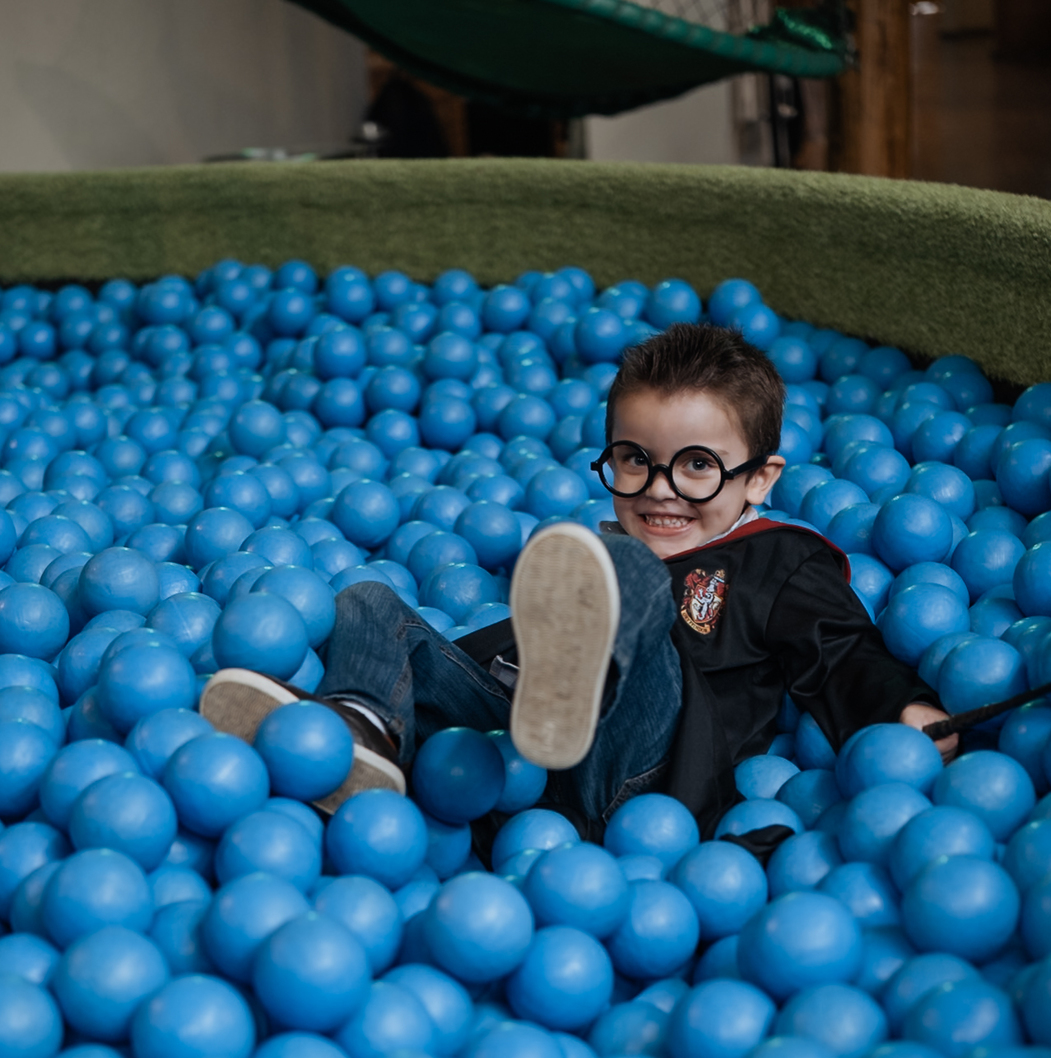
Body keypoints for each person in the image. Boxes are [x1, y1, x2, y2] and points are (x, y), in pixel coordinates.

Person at [201, 323, 956, 842]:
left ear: (760, 479)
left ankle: (572, 698)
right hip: (513, 761)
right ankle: (354, 738)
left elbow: (842, 650)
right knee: (368, 601)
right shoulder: (599, 552)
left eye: (697, 466)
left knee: (624, 576)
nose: (661, 488)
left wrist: (902, 707)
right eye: (635, 459)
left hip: (637, 782)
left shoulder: (777, 558)